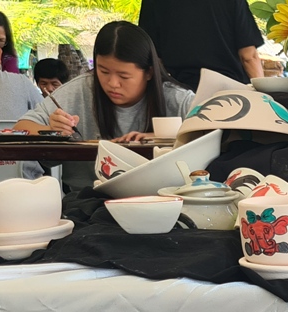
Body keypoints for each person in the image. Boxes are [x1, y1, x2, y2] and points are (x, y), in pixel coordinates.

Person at [14, 21, 194, 191]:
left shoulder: (176, 98)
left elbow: (210, 132)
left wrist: (161, 139)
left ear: (149, 72)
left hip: (165, 197)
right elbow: (20, 128)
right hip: (89, 201)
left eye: (124, 76)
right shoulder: (78, 91)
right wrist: (51, 131)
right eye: (103, 71)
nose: (112, 83)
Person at [138, 0, 263, 90]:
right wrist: (264, 95)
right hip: (231, 91)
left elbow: (151, 56)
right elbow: (248, 56)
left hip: (179, 91)